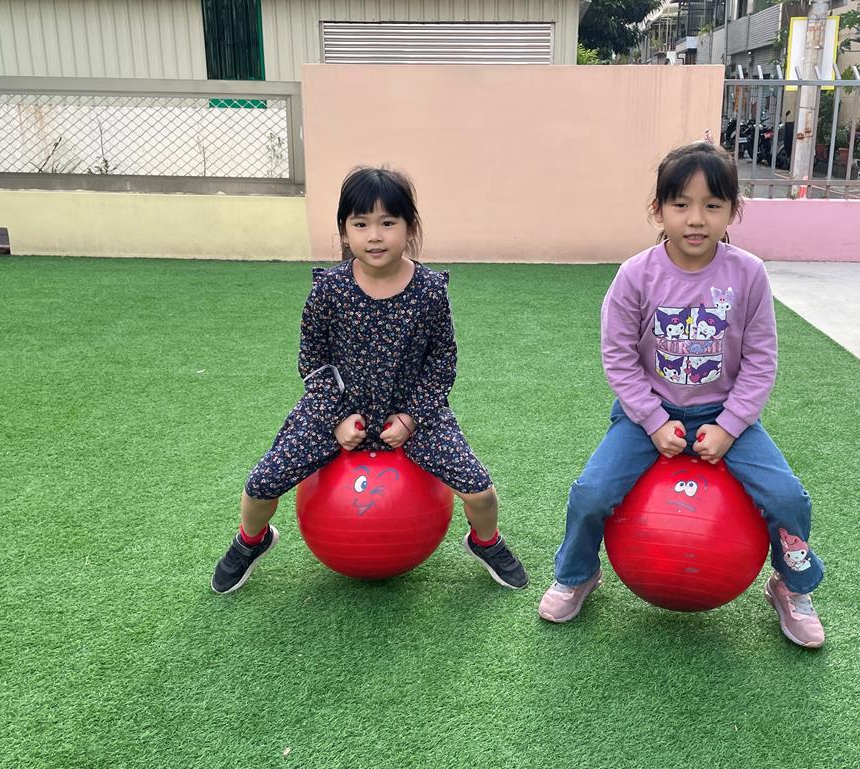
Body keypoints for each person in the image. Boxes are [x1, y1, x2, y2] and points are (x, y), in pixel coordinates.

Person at [537, 141, 825, 648]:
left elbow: (760, 361)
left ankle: (790, 584)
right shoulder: (636, 275)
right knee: (590, 493)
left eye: (712, 205)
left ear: (733, 211)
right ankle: (578, 573)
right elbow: (619, 357)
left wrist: (730, 426)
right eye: (681, 204)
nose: (696, 219)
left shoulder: (748, 274)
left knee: (787, 497)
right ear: (659, 210)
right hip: (646, 414)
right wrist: (651, 420)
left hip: (726, 413)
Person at [211, 166, 528, 594]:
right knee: (261, 484)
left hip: (414, 412)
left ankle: (485, 541)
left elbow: (442, 363)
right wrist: (337, 417)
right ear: (344, 230)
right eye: (360, 224)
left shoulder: (430, 291)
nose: (374, 236)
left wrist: (411, 418)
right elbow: (313, 361)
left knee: (480, 491)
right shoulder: (329, 289)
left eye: (387, 223)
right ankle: (252, 540)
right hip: (336, 410)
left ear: (409, 227)